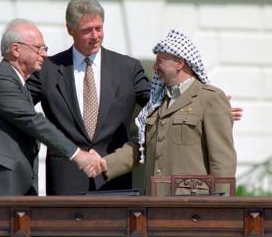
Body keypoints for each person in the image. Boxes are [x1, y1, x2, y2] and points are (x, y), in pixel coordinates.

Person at [0, 0, 243, 195]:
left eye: (99, 28)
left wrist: (206, 105)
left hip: (114, 178)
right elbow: (17, 108)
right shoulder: (49, 68)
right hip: (66, 182)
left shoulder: (128, 67)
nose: (95, 36)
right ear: (71, 30)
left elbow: (160, 102)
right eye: (87, 30)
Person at [0, 19, 104, 196]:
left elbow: (2, 116)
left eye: (45, 49)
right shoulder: (0, 79)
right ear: (16, 49)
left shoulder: (19, 84)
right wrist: (78, 155)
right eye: (38, 48)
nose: (44, 54)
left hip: (10, 190)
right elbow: (31, 121)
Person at [97, 29, 237, 196]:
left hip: (192, 208)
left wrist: (221, 208)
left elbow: (222, 162)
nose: (155, 67)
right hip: (153, 205)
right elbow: (140, 147)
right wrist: (103, 164)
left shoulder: (209, 98)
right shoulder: (157, 103)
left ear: (179, 62)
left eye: (160, 61)